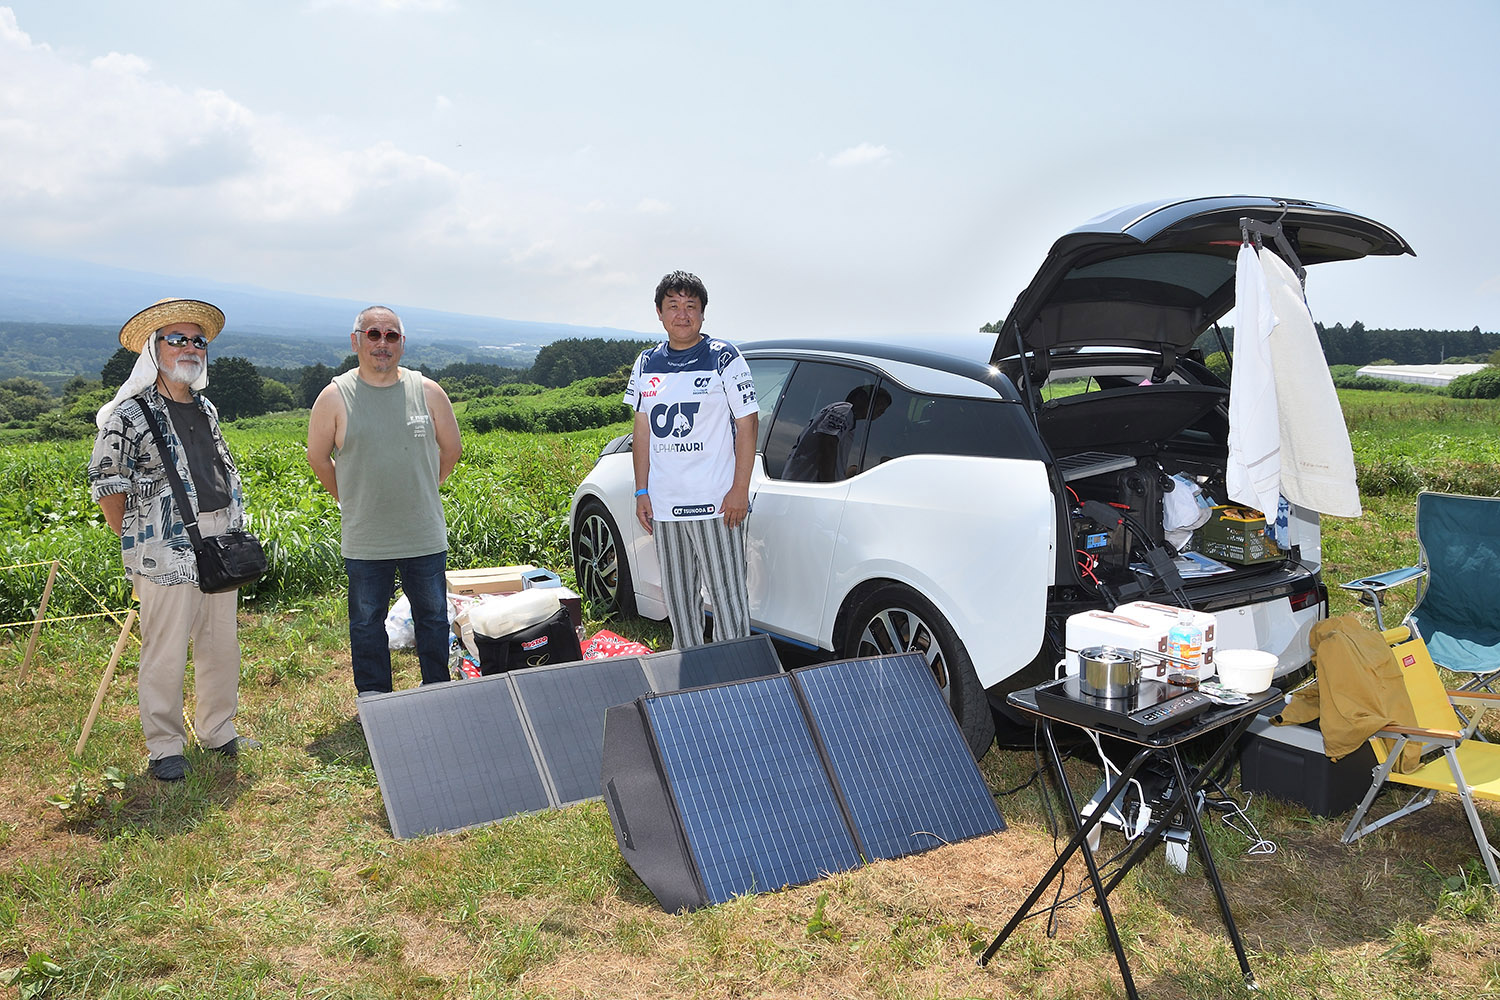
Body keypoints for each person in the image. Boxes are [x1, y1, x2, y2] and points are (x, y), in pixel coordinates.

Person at [87, 297, 258, 782]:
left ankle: (218, 731)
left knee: (220, 644)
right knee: (163, 652)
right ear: (153, 349)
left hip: (219, 542)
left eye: (197, 340)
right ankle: (164, 746)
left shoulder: (206, 407)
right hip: (162, 552)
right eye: (177, 339)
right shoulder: (129, 415)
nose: (189, 347)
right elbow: (108, 485)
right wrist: (142, 539)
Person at [306, 305, 462, 696]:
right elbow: (317, 456)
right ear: (356, 340)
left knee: (433, 617)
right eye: (373, 334)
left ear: (402, 344)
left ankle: (437, 691)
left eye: (391, 336)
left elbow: (452, 449)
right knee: (365, 621)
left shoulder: (427, 391)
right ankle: (374, 698)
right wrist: (348, 497)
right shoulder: (334, 396)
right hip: (366, 535)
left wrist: (426, 485)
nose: (382, 343)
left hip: (422, 532)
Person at [625, 271, 758, 649]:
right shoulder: (646, 363)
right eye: (673, 306)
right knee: (680, 603)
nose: (682, 315)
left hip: (717, 503)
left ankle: (737, 680)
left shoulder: (723, 357)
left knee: (728, 600)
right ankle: (692, 685)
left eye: (690, 306)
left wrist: (739, 490)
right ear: (659, 312)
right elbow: (643, 430)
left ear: (702, 313)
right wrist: (641, 491)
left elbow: (748, 424)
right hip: (666, 506)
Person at [782, 385, 892, 482]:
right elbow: (828, 444)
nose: (882, 411)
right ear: (862, 398)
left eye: (885, 409)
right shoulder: (844, 410)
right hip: (810, 488)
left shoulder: (848, 418)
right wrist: (828, 485)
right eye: (880, 404)